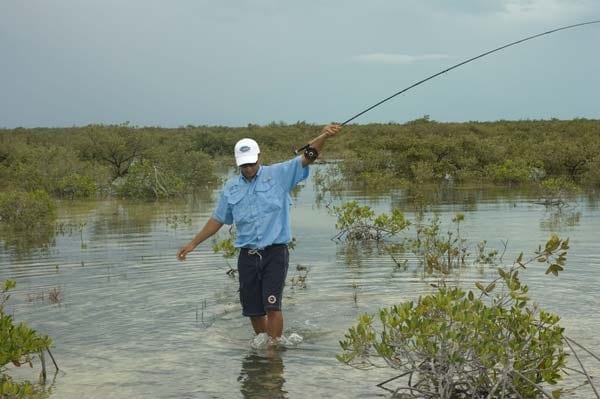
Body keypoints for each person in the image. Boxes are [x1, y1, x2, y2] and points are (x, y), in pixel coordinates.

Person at [177, 124, 341, 342]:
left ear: (259, 157)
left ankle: (273, 352)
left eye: (252, 163)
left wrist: (324, 136)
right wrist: (193, 244)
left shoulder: (279, 174)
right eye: (244, 165)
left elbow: (308, 156)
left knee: (272, 306)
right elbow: (218, 219)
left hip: (275, 252)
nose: (248, 169)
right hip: (247, 256)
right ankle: (264, 344)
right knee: (253, 310)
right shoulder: (231, 187)